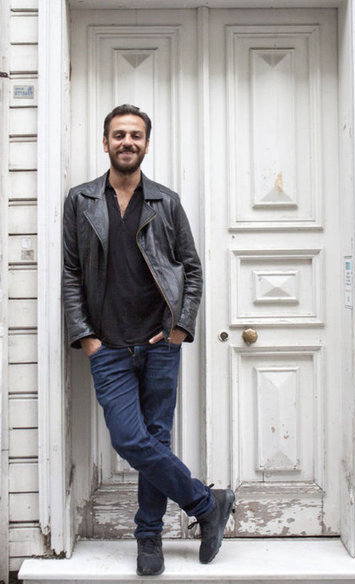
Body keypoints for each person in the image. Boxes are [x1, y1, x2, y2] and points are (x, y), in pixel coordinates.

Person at [62, 103, 234, 576]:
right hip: (108, 345)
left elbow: (192, 270)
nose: (127, 142)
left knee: (155, 438)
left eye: (135, 135)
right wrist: (87, 337)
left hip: (160, 344)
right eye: (119, 135)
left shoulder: (165, 202)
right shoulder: (81, 201)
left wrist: (179, 328)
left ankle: (149, 539)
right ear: (105, 143)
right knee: (130, 438)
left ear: (146, 144)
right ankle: (206, 503)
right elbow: (72, 273)